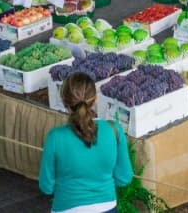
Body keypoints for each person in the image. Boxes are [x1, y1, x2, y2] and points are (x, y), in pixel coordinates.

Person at [39, 72, 133, 213]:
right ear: (95, 99)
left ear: (64, 102)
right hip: (107, 208)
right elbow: (124, 178)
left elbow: (46, 187)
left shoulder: (55, 137)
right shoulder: (114, 130)